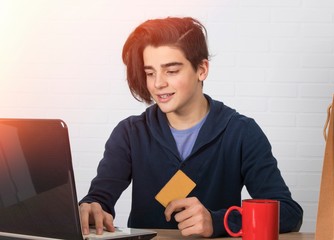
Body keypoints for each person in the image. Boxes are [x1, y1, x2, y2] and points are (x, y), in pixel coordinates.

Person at [79, 16, 303, 238]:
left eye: (172, 71)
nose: (158, 84)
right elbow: (99, 199)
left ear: (202, 69)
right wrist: (90, 207)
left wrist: (218, 222)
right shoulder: (130, 133)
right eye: (150, 73)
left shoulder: (241, 133)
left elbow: (289, 213)